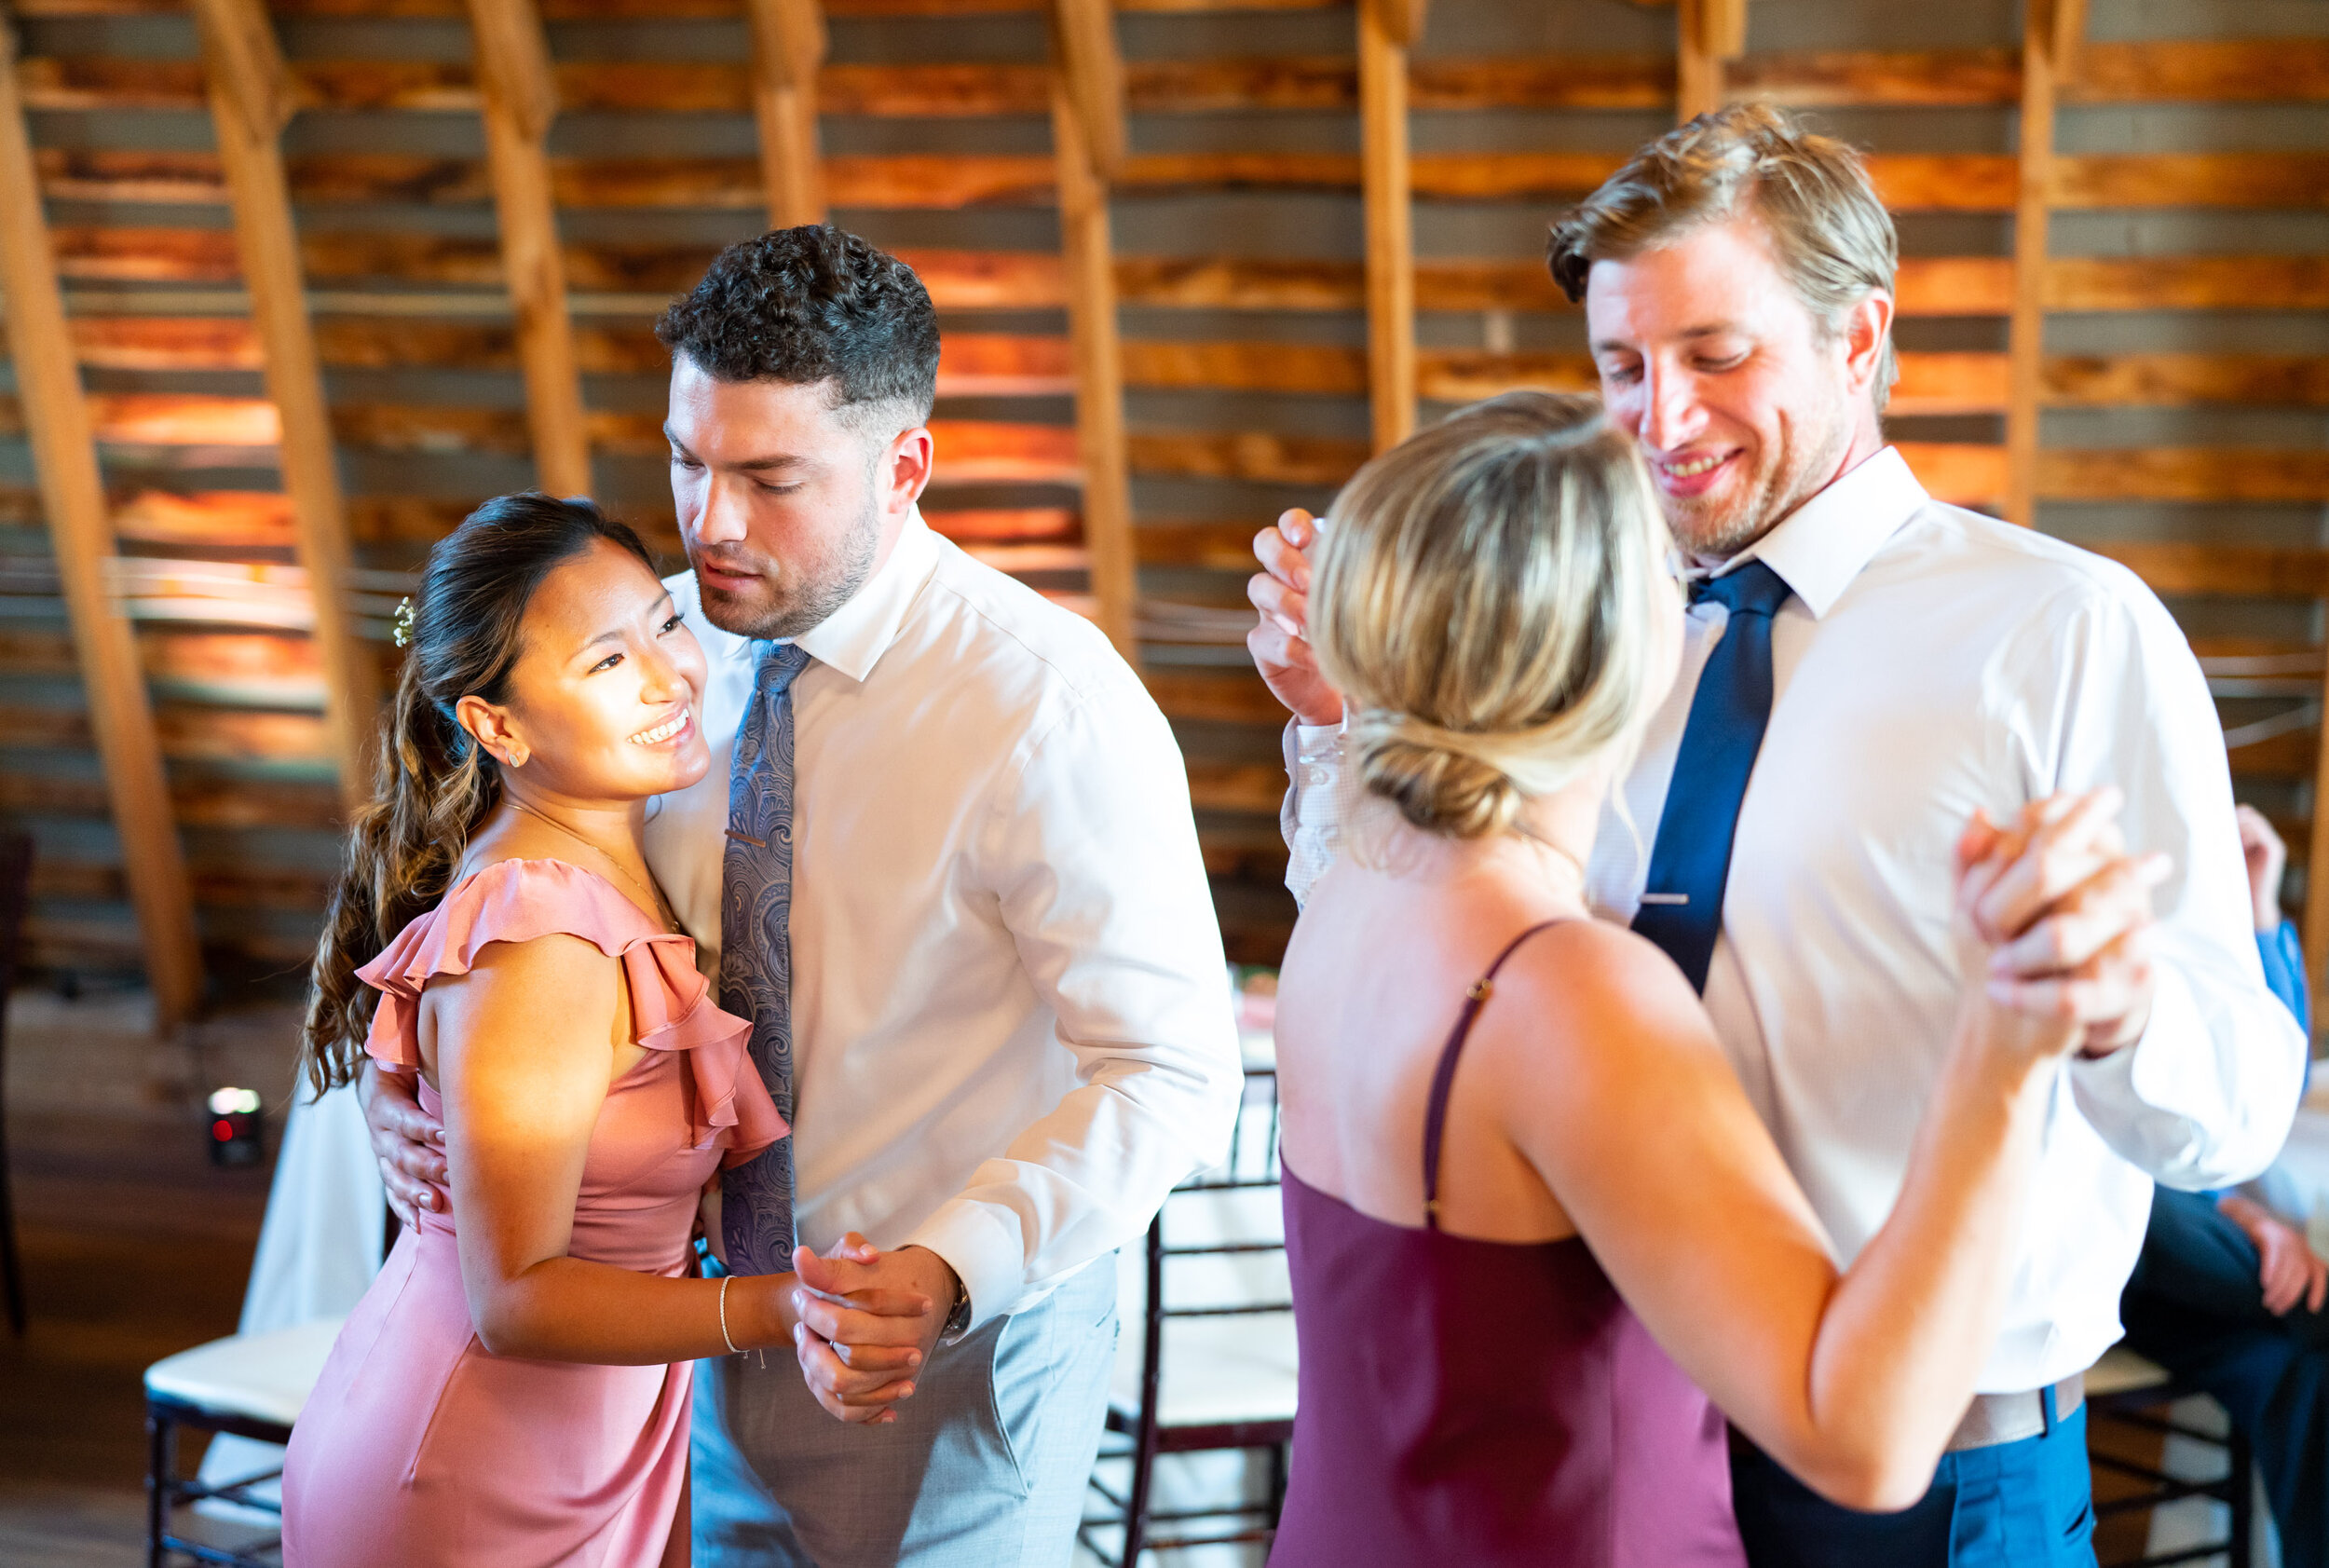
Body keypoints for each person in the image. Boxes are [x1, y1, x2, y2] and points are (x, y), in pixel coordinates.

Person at [1247, 105, 2306, 1566]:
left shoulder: (2063, 631)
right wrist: (1343, 726)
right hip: (1609, 1437)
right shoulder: (1581, 614)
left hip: (1935, 1463)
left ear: (1860, 336)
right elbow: (1433, 949)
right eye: (1622, 366)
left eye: (1716, 355)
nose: (1661, 418)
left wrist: (2112, 1011)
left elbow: (2238, 1108)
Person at [361, 226, 1246, 1567]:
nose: (710, 524)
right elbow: (502, 908)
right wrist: (411, 1083)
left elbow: (1171, 1071)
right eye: (685, 459)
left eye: (771, 477)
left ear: (904, 469)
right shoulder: (644, 655)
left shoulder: (1047, 707)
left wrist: (947, 1268)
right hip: (684, 1348)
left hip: (950, 1354)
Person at [1271, 389, 2163, 1568]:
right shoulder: (1567, 990)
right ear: (1624, 642)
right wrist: (2003, 1041)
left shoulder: (1349, 894)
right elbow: (1867, 1444)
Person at [281, 496, 790, 1566]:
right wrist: (785, 1309)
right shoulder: (543, 933)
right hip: (473, 1464)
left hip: (591, 1441)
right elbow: (515, 1299)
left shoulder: (624, 853)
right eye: (607, 663)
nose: (670, 676)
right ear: (497, 727)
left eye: (663, 624)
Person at [2119, 803, 2327, 1568]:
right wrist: (2242, 1212)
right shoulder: (2110, 896)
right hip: (2109, 1231)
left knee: (2302, 1371)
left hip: (2169, 1262)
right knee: (2305, 1307)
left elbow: (2274, 1090)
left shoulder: (2201, 905)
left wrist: (2258, 907)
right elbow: (2118, 1136)